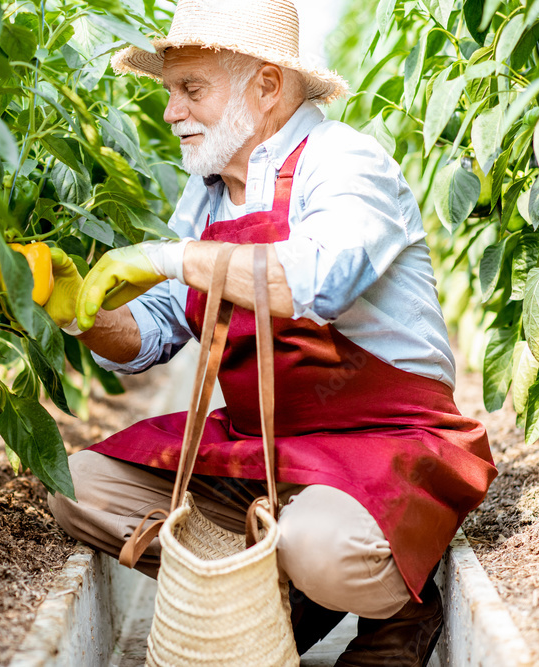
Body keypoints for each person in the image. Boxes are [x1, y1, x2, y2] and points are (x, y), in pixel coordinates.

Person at [39, 1, 497, 664]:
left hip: (384, 444)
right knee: (78, 483)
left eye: (190, 89)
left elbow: (315, 280)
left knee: (321, 545)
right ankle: (281, 606)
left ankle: (404, 605)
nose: (171, 111)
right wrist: (71, 308)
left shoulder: (344, 162)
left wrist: (168, 256)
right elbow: (151, 335)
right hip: (265, 454)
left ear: (267, 86)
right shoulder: (205, 194)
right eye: (170, 92)